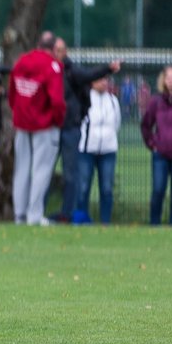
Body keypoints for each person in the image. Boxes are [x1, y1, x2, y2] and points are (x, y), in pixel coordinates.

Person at [49, 38, 119, 222]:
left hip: (76, 132)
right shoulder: (45, 71)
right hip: (52, 129)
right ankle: (37, 212)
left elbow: (116, 122)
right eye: (55, 49)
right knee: (46, 173)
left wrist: (108, 68)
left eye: (62, 49)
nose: (58, 53)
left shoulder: (73, 72)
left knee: (75, 177)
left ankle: (71, 215)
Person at [8, 31, 65, 225]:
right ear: (52, 48)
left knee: (21, 169)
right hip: (45, 125)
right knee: (41, 170)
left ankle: (19, 214)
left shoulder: (22, 61)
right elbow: (57, 100)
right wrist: (58, 119)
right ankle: (34, 214)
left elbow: (12, 92)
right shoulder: (52, 65)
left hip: (22, 123)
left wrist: (17, 112)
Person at [76, 76, 120, 224]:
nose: (103, 82)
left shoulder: (113, 101)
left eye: (105, 80)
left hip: (108, 151)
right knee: (83, 187)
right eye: (100, 80)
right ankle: (82, 220)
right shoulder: (85, 99)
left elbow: (116, 123)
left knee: (107, 188)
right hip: (87, 150)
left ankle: (105, 222)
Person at [141, 65, 172, 226]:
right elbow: (146, 125)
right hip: (160, 155)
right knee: (158, 190)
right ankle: (154, 224)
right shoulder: (156, 102)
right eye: (168, 78)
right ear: (163, 81)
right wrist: (152, 144)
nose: (170, 81)